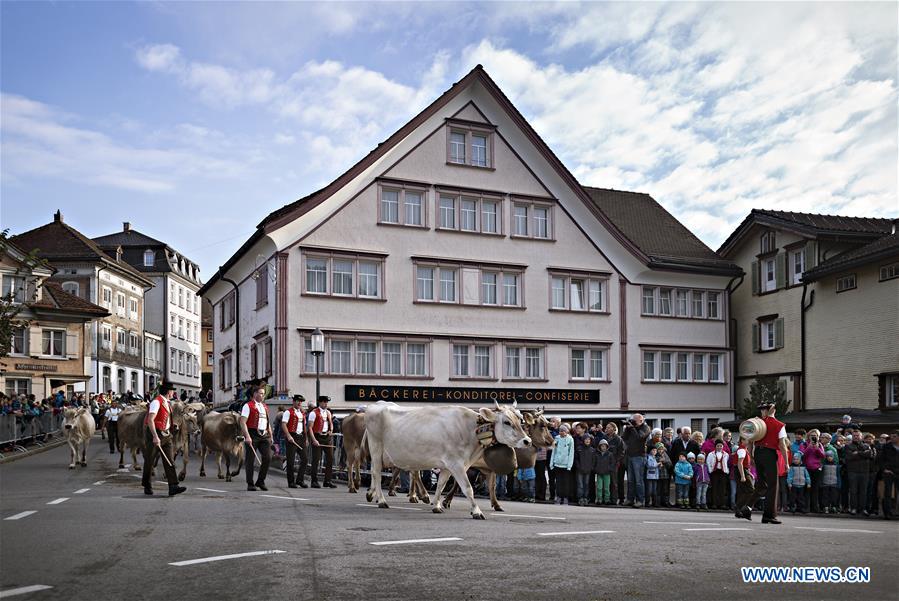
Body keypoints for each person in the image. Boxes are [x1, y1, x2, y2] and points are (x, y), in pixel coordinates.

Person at [740, 400, 790, 524]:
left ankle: (747, 507)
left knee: (762, 484)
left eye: (763, 409)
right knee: (773, 485)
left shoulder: (757, 423)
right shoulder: (778, 425)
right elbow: (782, 445)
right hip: (769, 454)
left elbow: (750, 440)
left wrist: (751, 456)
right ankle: (769, 515)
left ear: (766, 410)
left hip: (758, 453)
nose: (762, 412)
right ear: (774, 410)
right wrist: (787, 462)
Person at [142, 382, 186, 497]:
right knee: (150, 460)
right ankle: (146, 484)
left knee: (169, 460)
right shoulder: (156, 402)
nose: (173, 393)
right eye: (172, 391)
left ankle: (173, 486)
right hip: (155, 434)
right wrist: (155, 437)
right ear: (168, 392)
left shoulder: (167, 402)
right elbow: (150, 420)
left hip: (167, 435)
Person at [240, 385, 273, 492]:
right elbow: (242, 422)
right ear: (254, 394)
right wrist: (247, 436)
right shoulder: (247, 406)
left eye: (263, 394)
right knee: (250, 460)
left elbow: (267, 422)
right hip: (252, 434)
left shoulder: (265, 406)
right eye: (261, 393)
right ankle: (250, 483)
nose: (263, 395)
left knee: (267, 458)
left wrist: (271, 435)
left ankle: (260, 481)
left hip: (265, 435)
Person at [621, 413, 651, 507]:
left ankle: (640, 500)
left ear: (641, 420)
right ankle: (630, 499)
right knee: (630, 480)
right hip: (629, 456)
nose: (633, 422)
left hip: (639, 457)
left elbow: (640, 437)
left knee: (638, 480)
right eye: (632, 420)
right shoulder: (631, 428)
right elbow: (624, 438)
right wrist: (628, 428)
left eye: (634, 420)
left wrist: (633, 428)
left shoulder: (646, 428)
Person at [307, 396, 336, 488]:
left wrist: (331, 430)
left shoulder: (328, 412)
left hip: (327, 437)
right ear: (319, 402)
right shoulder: (313, 413)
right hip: (317, 436)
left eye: (326, 402)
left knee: (330, 459)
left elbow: (330, 423)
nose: (326, 403)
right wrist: (314, 440)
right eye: (324, 402)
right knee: (316, 459)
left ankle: (327, 481)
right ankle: (314, 481)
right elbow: (310, 428)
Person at [280, 394, 308, 489]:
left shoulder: (302, 413)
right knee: (291, 461)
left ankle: (300, 480)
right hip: (292, 437)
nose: (300, 403)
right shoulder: (288, 412)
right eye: (298, 401)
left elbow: (304, 426)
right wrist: (288, 436)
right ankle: (291, 482)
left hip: (301, 437)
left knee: (305, 459)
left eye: (301, 401)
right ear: (294, 401)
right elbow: (284, 425)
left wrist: (306, 438)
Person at [800, 429, 826, 513]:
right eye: (812, 436)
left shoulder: (820, 445)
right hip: (806, 469)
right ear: (809, 436)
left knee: (815, 489)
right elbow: (803, 456)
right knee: (807, 489)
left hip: (817, 469)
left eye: (816, 436)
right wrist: (809, 447)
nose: (814, 437)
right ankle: (806, 507)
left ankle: (815, 507)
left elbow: (822, 455)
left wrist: (817, 448)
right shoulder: (804, 444)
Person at [551, 424, 574, 505]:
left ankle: (565, 498)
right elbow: (554, 452)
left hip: (566, 465)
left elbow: (571, 453)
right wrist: (552, 464)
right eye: (560, 431)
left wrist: (569, 466)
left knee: (566, 482)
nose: (562, 432)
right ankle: (559, 497)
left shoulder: (570, 439)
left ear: (566, 431)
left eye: (563, 431)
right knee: (558, 482)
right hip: (557, 464)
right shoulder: (556, 438)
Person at [878, 430, 899, 520]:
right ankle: (887, 513)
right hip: (889, 472)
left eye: (894, 436)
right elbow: (881, 459)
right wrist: (884, 469)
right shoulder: (886, 446)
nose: (892, 438)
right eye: (891, 436)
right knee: (887, 493)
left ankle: (896, 512)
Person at [733, 437, 754, 520]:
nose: (748, 441)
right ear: (742, 441)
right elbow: (740, 463)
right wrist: (743, 475)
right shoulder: (742, 450)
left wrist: (749, 473)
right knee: (751, 490)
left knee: (745, 491)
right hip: (741, 471)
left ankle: (739, 510)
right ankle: (739, 507)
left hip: (744, 471)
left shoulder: (744, 449)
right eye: (746, 440)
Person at [707, 439, 730, 509]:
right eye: (718, 446)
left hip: (723, 472)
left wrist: (727, 470)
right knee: (715, 488)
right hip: (715, 472)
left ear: (723, 446)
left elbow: (727, 463)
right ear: (715, 446)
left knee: (722, 488)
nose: (719, 447)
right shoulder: (711, 454)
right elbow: (708, 462)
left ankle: (722, 504)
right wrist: (710, 470)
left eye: (721, 446)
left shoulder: (726, 454)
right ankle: (714, 503)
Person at [574, 434, 596, 506]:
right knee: (580, 485)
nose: (587, 440)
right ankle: (580, 498)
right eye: (586, 439)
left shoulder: (592, 450)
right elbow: (576, 459)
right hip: (580, 470)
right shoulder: (579, 448)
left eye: (589, 439)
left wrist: (591, 467)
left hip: (588, 470)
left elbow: (594, 460)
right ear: (583, 440)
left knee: (586, 484)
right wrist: (578, 466)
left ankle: (585, 498)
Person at [594, 439, 615, 505]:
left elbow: (612, 463)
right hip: (599, 473)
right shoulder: (597, 454)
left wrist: (609, 469)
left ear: (607, 446)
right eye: (602, 446)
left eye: (604, 446)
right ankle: (599, 499)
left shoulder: (610, 454)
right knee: (599, 487)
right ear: (599, 447)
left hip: (607, 473)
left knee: (606, 487)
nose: (603, 447)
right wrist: (596, 469)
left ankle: (607, 499)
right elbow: (595, 463)